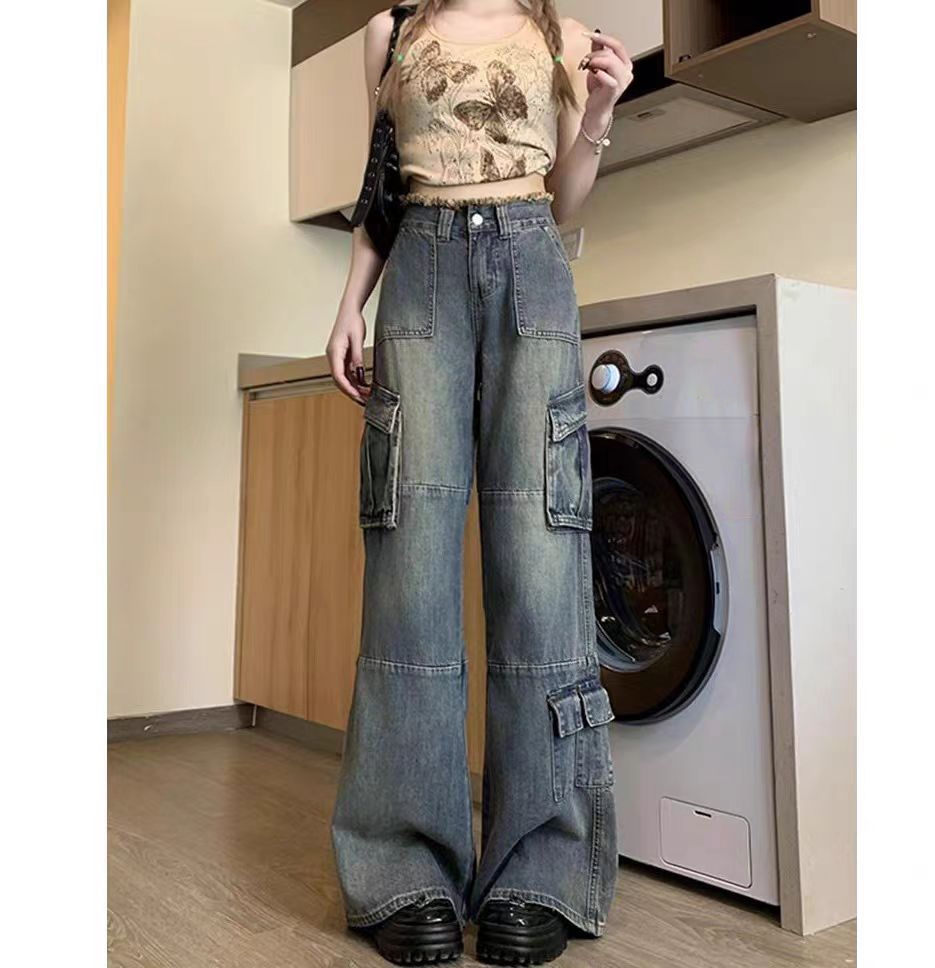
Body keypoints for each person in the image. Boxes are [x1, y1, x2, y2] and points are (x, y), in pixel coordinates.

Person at [325, 1, 633, 963]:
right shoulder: (392, 30)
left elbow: (567, 199)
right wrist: (349, 305)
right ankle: (401, 868)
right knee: (409, 568)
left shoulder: (563, 36)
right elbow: (381, 186)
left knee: (540, 562)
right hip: (418, 273)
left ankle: (542, 868)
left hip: (531, 269)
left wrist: (599, 112)